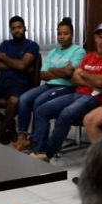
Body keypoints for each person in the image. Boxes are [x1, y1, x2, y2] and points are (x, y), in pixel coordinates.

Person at [26, 22, 102, 161]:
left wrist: (84, 74)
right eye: (100, 37)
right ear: (95, 38)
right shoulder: (90, 56)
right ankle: (37, 150)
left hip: (96, 98)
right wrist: (92, 81)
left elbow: (101, 82)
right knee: (42, 110)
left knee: (65, 114)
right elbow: (74, 79)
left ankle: (47, 154)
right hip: (77, 93)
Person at [13, 17, 86, 151]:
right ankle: (23, 136)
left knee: (39, 101)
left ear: (72, 35)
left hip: (66, 87)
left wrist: (53, 71)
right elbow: (43, 74)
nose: (62, 37)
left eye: (65, 33)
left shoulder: (78, 51)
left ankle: (37, 141)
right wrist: (60, 71)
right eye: (59, 33)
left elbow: (69, 73)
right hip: (49, 85)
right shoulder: (53, 52)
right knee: (24, 98)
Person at [0, 15, 40, 144]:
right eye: (13, 28)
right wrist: (18, 65)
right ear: (10, 30)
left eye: (19, 27)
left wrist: (4, 58)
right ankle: (9, 123)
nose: (17, 30)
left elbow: (22, 66)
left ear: (25, 28)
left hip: (21, 83)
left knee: (13, 101)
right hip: (2, 82)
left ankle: (3, 130)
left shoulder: (31, 45)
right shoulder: (5, 44)